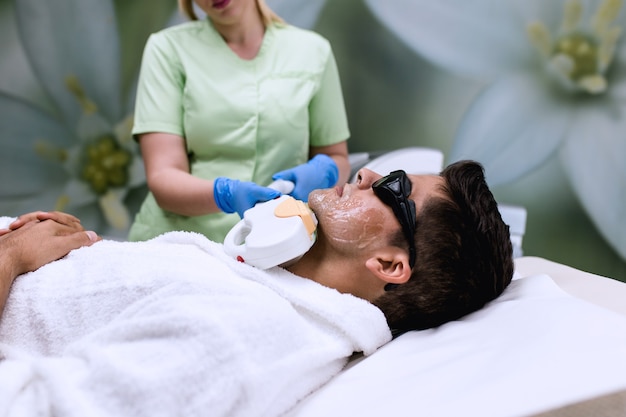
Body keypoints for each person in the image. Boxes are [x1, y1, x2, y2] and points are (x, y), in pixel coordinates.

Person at [0, 160, 513, 416]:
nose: (370, 171)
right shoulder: (261, 286)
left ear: (389, 264)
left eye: (396, 187)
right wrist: (73, 251)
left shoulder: (243, 333)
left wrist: (12, 258)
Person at [128, 0, 351, 243]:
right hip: (182, 244)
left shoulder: (313, 50)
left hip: (279, 242)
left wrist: (325, 172)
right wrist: (224, 195)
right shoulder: (167, 49)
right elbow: (164, 176)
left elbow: (337, 157)